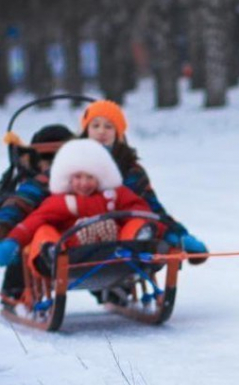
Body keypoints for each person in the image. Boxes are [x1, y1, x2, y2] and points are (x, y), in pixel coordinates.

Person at [79, 100, 208, 263]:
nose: (101, 131)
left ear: (118, 134)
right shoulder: (72, 161)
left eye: (108, 126)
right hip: (81, 233)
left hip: (125, 231)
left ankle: (142, 251)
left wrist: (180, 236)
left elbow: (151, 207)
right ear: (86, 131)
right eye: (95, 126)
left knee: (143, 226)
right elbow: (48, 189)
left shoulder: (130, 170)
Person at [0, 139, 152, 274]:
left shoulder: (115, 194)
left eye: (90, 177)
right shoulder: (61, 201)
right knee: (44, 230)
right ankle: (51, 252)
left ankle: (139, 241)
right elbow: (35, 220)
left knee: (137, 221)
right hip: (72, 254)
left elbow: (139, 209)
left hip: (116, 249)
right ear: (68, 179)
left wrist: (156, 225)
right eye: (78, 177)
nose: (84, 183)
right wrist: (14, 240)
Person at [0, 124, 74, 302]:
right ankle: (15, 288)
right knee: (23, 241)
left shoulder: (88, 178)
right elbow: (19, 202)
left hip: (79, 234)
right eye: (48, 160)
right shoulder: (39, 182)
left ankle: (116, 285)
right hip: (42, 242)